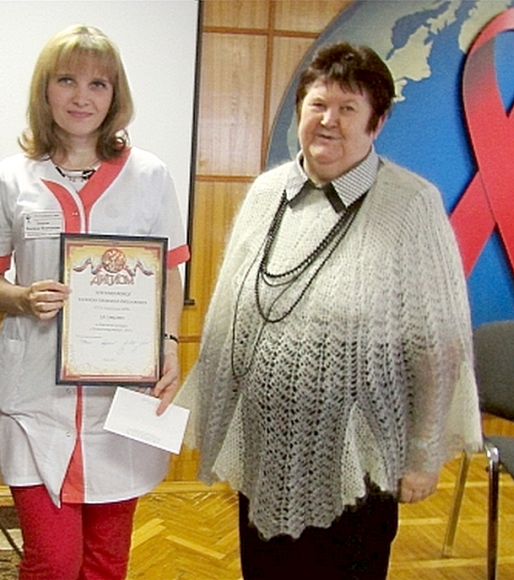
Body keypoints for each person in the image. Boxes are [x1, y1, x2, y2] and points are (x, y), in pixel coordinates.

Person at [177, 42, 481, 579]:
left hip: (357, 467)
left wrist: (422, 454)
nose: (328, 120)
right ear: (301, 110)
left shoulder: (411, 204)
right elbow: (227, 318)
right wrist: (213, 418)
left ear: (376, 122)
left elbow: (438, 342)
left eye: (348, 108)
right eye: (318, 104)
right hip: (265, 455)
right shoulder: (267, 192)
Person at [0, 24, 190, 580]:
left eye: (98, 83)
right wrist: (20, 297)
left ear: (116, 95)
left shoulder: (149, 176)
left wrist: (168, 345)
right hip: (33, 399)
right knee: (54, 561)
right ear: (45, 89)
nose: (82, 96)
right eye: (66, 80)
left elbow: (168, 271)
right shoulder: (10, 178)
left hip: (122, 398)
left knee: (107, 563)